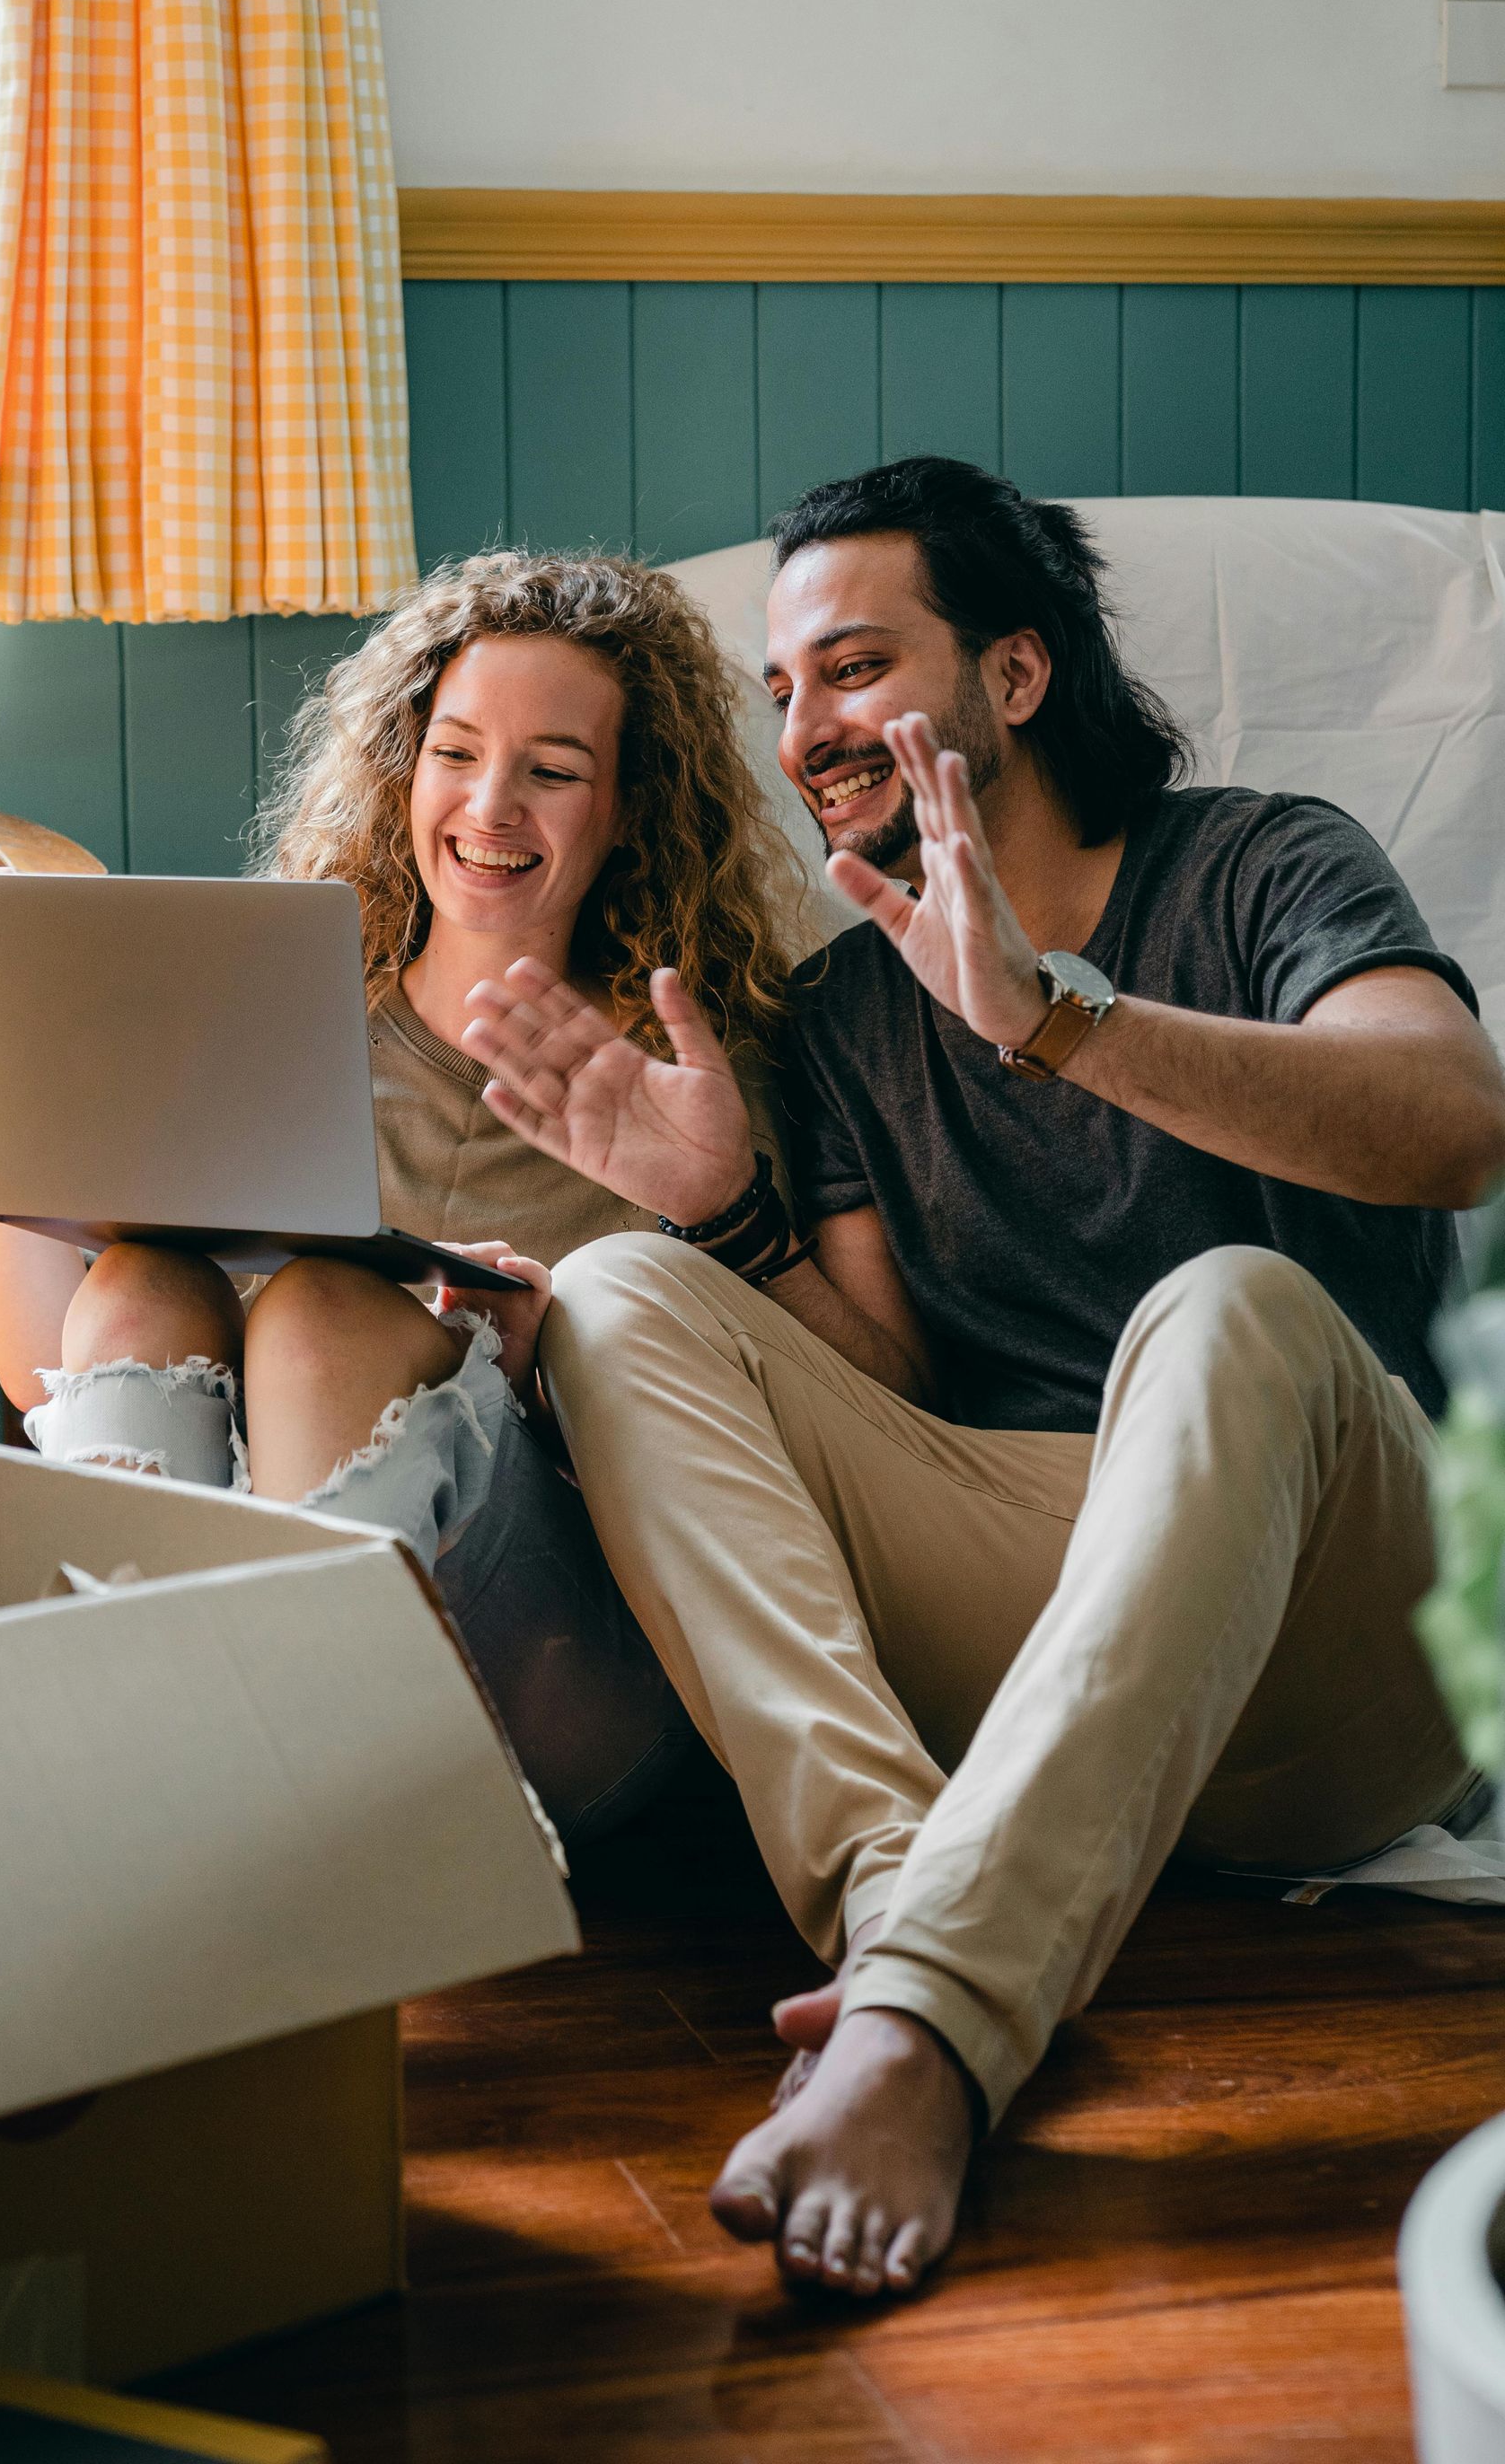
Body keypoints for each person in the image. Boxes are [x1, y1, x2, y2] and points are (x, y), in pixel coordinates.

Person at [458, 456, 1505, 2296]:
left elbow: (1454, 1127)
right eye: (783, 691)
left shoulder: (1263, 862)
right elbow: (899, 1400)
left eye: (854, 668)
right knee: (621, 1290)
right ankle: (893, 1903)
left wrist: (1057, 1018)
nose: (809, 730)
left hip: (1348, 1648)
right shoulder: (851, 1012)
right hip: (1048, 1591)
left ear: (1012, 677)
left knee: (1230, 1304)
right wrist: (729, 1221)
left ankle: (936, 2029)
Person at [0, 550, 799, 1847]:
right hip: (251, 1682)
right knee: (140, 1277)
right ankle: (192, 1807)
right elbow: (42, 1377)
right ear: (406, 768)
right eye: (456, 752)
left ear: (632, 804)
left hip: (569, 1670)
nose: (491, 804)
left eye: (555, 769)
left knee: (318, 1317)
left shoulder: (694, 1075)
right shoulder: (281, 1020)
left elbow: (770, 1455)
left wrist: (550, 1354)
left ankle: (214, 1822)